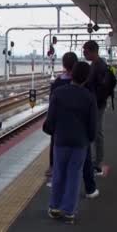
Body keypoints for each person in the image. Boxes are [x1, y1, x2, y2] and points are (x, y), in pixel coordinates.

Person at [43, 62, 98, 224]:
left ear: (72, 74)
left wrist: (51, 130)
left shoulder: (59, 93)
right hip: (80, 143)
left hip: (61, 141)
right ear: (86, 78)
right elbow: (93, 124)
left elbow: (50, 119)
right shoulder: (89, 97)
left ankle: (54, 207)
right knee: (75, 175)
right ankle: (69, 212)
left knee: (59, 172)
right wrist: (89, 138)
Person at [46, 52, 78, 184]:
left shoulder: (57, 83)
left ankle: (53, 168)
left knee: (55, 144)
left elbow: (52, 103)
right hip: (76, 122)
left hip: (59, 123)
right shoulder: (79, 82)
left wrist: (50, 121)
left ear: (64, 64)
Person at [83, 40, 108, 176]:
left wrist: (93, 101)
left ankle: (98, 163)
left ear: (92, 51)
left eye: (85, 51)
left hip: (98, 104)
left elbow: (101, 89)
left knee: (97, 132)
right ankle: (95, 161)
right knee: (96, 132)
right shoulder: (95, 64)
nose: (84, 53)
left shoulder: (100, 66)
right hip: (96, 103)